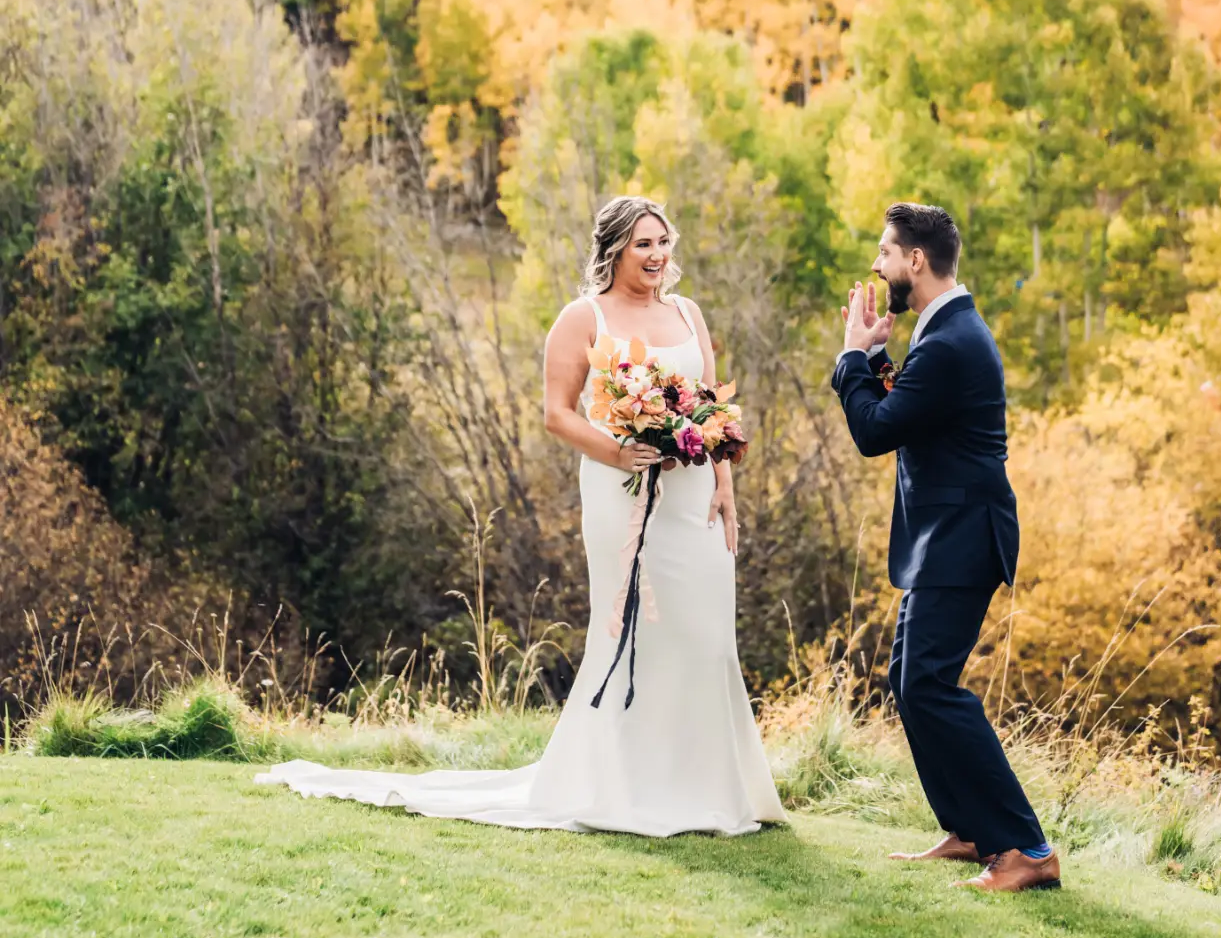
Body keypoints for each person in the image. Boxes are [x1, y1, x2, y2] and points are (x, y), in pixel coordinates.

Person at [258, 194, 783, 837]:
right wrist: (620, 451)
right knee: (633, 627)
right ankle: (623, 786)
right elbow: (557, 414)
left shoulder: (687, 312)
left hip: (693, 496)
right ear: (615, 248)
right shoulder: (581, 317)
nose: (657, 255)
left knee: (702, 631)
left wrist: (725, 487)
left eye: (663, 242)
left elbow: (708, 407)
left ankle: (707, 786)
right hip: (620, 490)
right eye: (643, 243)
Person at [832, 202, 1060, 893]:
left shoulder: (951, 342)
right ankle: (968, 830)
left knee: (929, 685)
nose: (877, 263)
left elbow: (874, 431)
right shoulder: (943, 332)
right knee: (911, 681)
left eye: (884, 251)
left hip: (963, 536)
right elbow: (901, 415)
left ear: (916, 261)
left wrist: (851, 356)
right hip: (947, 535)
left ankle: (1024, 847)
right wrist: (875, 355)